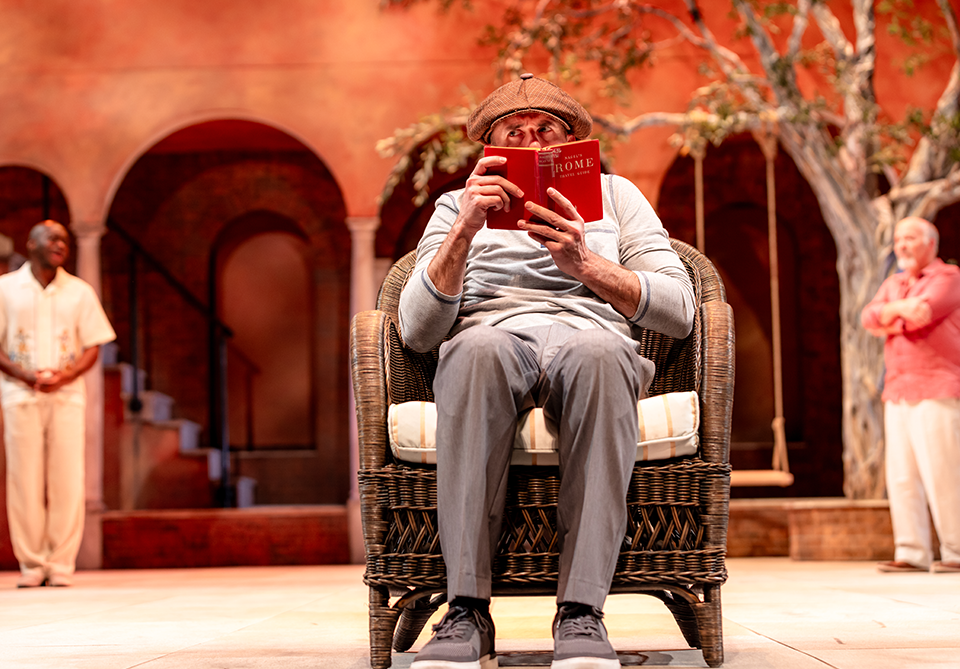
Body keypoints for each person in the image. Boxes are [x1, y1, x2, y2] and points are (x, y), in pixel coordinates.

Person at [398, 74, 695, 669]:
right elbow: (417, 330)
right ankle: (465, 610)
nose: (531, 143)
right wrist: (463, 232)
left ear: (570, 146)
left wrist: (583, 262)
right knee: (473, 352)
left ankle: (582, 612)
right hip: (492, 335)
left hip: (592, 334)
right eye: (516, 134)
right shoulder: (457, 206)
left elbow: (679, 310)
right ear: (491, 149)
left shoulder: (616, 196)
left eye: (545, 133)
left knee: (600, 357)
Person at [0, 220, 116, 588]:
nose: (60, 244)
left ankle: (61, 564)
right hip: (20, 395)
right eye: (52, 238)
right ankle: (32, 565)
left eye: (65, 239)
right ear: (30, 243)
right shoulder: (5, 290)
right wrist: (25, 376)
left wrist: (65, 377)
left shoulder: (79, 292)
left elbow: (93, 345)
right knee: (24, 479)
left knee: (67, 478)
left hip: (67, 396)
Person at [861, 216, 960, 574]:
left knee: (943, 472)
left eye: (910, 238)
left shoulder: (948, 277)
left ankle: (956, 550)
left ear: (931, 244)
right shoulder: (894, 282)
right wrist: (895, 312)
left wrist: (890, 317)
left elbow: (923, 314)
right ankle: (912, 551)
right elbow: (868, 317)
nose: (901, 245)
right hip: (899, 389)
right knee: (902, 475)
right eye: (898, 238)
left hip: (937, 386)